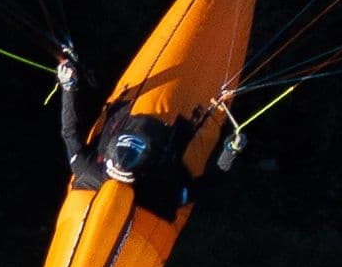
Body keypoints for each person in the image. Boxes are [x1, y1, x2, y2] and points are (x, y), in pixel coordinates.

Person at [56, 51, 242, 217]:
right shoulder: (157, 195)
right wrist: (230, 151)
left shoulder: (84, 168)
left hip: (130, 110)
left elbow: (70, 131)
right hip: (178, 123)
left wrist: (68, 87)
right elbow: (207, 186)